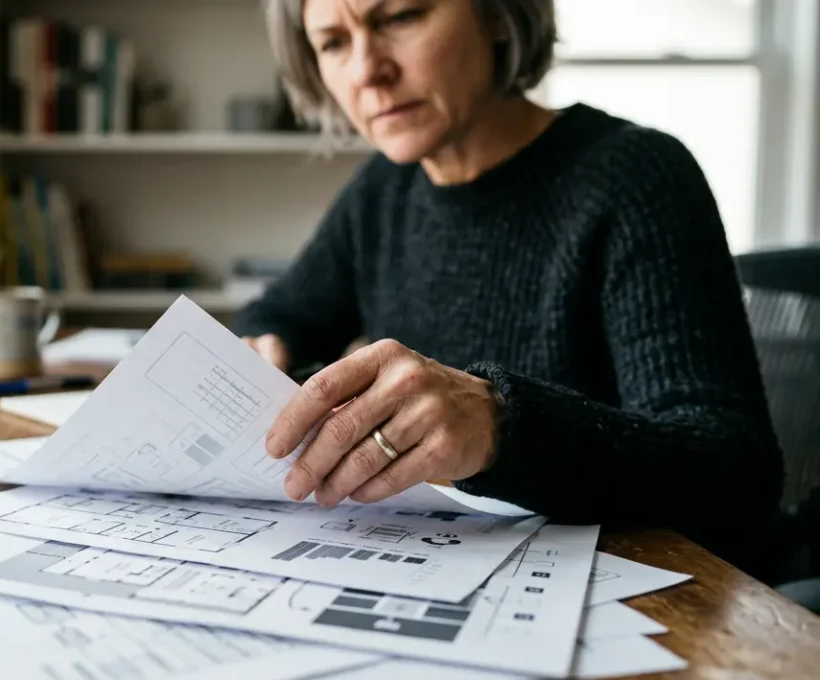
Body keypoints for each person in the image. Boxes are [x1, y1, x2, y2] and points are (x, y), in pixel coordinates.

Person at [237, 0, 784, 577]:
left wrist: (501, 426)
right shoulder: (382, 191)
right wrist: (265, 342)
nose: (367, 71)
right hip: (442, 570)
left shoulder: (638, 177)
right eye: (332, 43)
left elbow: (735, 473)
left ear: (497, 15)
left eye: (399, 18)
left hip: (634, 596)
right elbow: (283, 314)